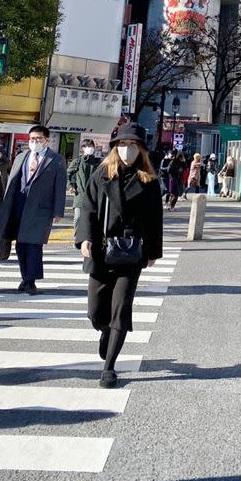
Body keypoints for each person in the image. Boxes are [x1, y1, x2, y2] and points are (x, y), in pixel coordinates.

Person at [77, 122, 164, 387]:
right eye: (123, 145)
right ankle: (104, 330)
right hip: (102, 250)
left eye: (132, 145)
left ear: (141, 150)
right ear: (116, 148)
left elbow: (154, 220)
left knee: (121, 308)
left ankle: (109, 367)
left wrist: (152, 251)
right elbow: (87, 207)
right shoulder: (102, 174)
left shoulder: (148, 181)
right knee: (95, 311)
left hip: (131, 252)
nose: (127, 150)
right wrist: (84, 238)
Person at [0, 125, 66, 294]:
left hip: (41, 208)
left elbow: (60, 186)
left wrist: (58, 211)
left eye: (38, 139)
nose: (34, 142)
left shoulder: (55, 159)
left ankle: (30, 280)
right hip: (19, 204)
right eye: (32, 139)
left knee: (33, 244)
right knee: (20, 244)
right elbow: (12, 181)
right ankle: (25, 277)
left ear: (46, 140)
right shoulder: (21, 157)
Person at [68, 139, 101, 234]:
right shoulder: (77, 161)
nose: (90, 148)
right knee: (78, 217)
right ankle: (77, 237)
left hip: (93, 195)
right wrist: (71, 186)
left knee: (91, 217)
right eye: (87, 146)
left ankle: (88, 237)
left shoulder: (97, 162)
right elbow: (68, 174)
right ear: (83, 148)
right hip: (80, 194)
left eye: (91, 146)